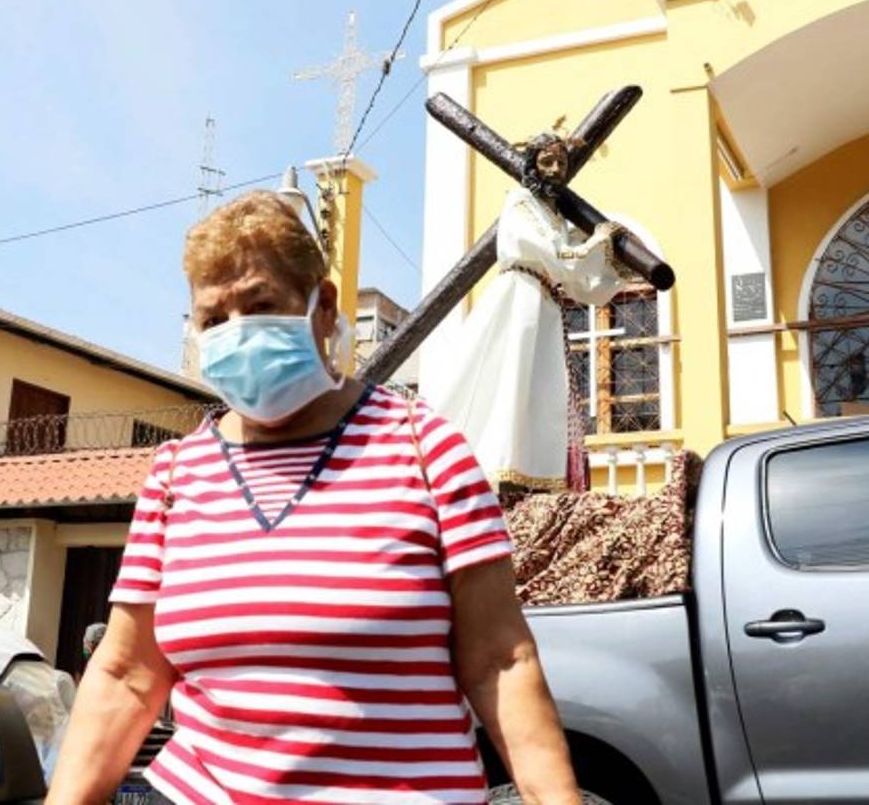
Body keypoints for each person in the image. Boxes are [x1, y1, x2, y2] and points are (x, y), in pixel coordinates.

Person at [46, 191, 581, 804]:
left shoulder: (425, 449)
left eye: (260, 304)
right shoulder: (176, 473)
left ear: (323, 307)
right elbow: (126, 676)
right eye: (212, 320)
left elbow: (500, 663)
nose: (234, 333)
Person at [429, 133, 630, 494]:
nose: (554, 170)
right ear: (531, 164)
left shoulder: (555, 218)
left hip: (546, 306)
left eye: (561, 163)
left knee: (540, 394)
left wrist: (611, 264)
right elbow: (557, 256)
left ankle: (531, 474)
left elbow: (579, 284)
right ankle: (502, 466)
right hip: (519, 298)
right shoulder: (520, 202)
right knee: (510, 381)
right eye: (546, 162)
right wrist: (598, 240)